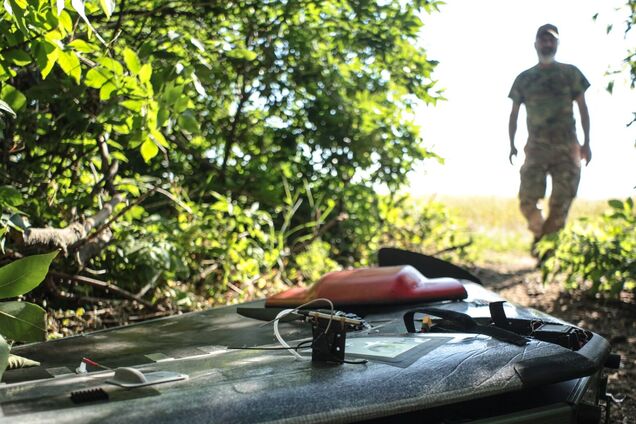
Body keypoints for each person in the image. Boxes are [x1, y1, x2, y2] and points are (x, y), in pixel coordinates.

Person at [508, 23, 591, 253]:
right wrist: (512, 144)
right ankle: (540, 236)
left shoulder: (570, 74)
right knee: (527, 200)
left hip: (567, 147)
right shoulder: (524, 79)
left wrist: (587, 143)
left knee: (561, 202)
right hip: (536, 147)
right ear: (536, 44)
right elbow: (513, 114)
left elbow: (583, 109)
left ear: (557, 43)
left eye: (552, 40)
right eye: (543, 39)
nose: (547, 43)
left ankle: (548, 251)